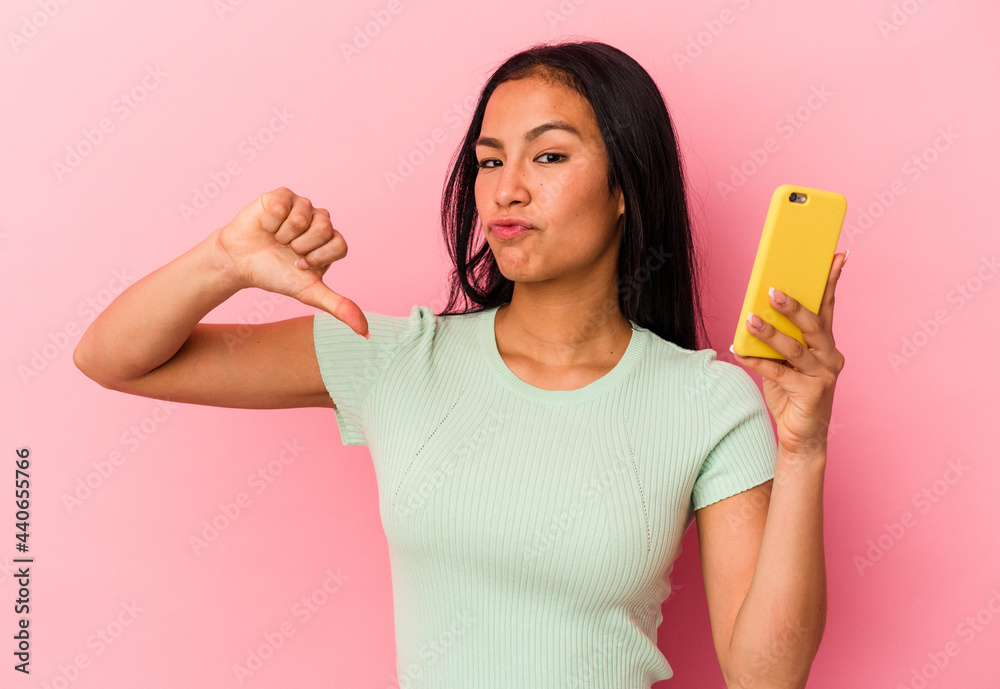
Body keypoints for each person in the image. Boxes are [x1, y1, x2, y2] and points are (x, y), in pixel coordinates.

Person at [75, 40, 845, 689]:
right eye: (488, 160)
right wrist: (224, 260)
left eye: (549, 155)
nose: (506, 189)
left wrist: (803, 447)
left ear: (625, 187)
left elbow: (765, 677)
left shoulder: (706, 401)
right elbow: (113, 359)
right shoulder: (395, 358)